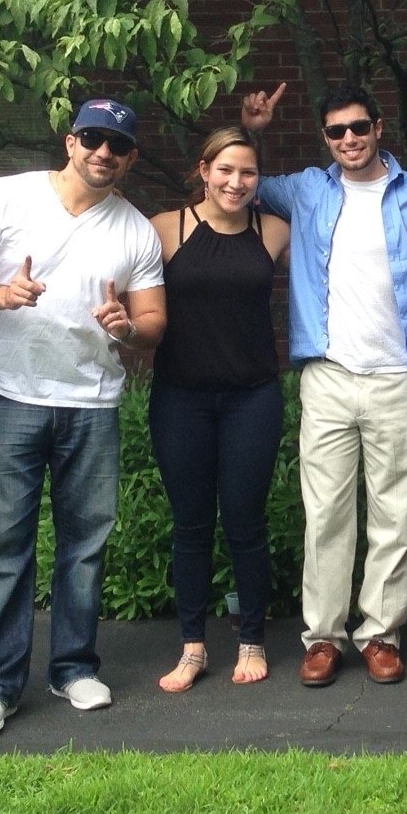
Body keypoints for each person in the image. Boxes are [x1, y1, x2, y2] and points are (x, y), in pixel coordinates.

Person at [0, 98, 166, 738]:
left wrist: (128, 327)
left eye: (118, 146)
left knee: (84, 545)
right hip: (11, 395)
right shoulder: (7, 197)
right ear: (71, 141)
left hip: (90, 403)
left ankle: (73, 668)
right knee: (1, 546)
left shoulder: (134, 229)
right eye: (94, 139)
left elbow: (154, 324)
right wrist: (3, 294)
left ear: (129, 158)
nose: (104, 153)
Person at [243, 83, 407, 687]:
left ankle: (381, 633)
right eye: (336, 132)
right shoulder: (305, 188)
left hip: (397, 376)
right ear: (325, 139)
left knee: (395, 512)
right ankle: (324, 637)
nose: (349, 140)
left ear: (379, 127)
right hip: (327, 374)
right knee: (326, 514)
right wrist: (253, 130)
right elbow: (240, 183)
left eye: (358, 127)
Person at [149, 127, 290, 692]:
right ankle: (192, 647)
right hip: (180, 397)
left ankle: (252, 638)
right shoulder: (166, 229)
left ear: (259, 180)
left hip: (252, 397)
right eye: (225, 170)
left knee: (245, 520)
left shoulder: (274, 230)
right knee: (190, 526)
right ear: (203, 170)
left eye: (248, 172)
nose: (236, 181)